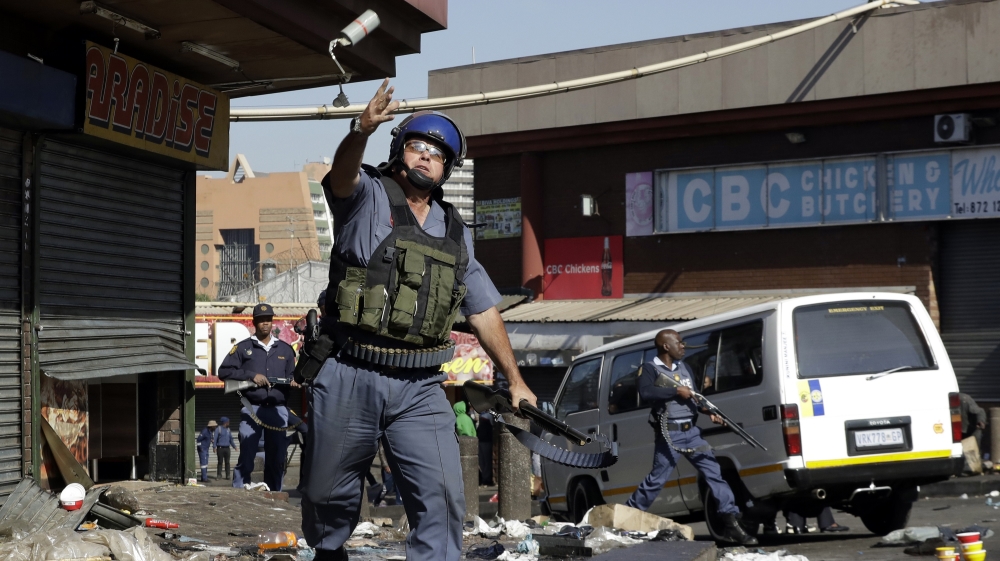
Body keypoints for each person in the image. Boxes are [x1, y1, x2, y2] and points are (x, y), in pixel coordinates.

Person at [299, 79, 537, 561]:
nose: (426, 158)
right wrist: (359, 130)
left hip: (421, 384)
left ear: (448, 168)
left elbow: (484, 309)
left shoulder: (454, 231)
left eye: (438, 154)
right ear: (399, 152)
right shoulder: (365, 196)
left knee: (443, 499)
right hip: (350, 370)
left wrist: (515, 379)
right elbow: (340, 176)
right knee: (328, 500)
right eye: (418, 147)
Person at [626, 329, 757, 545]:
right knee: (656, 480)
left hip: (692, 434)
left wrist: (709, 412)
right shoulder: (649, 369)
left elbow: (695, 398)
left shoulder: (684, 368)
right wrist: (676, 391)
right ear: (666, 346)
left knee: (715, 474)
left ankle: (731, 522)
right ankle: (628, 519)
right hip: (670, 434)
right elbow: (647, 393)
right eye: (679, 342)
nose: (683, 346)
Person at [218, 303, 301, 492]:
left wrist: (294, 382)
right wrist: (250, 375)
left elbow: (293, 376)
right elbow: (223, 371)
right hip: (252, 408)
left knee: (277, 457)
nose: (265, 323)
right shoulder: (242, 348)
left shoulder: (286, 350)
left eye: (268, 320)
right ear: (254, 322)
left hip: (278, 410)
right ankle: (239, 494)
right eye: (262, 320)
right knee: (246, 456)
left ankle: (275, 496)